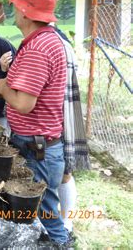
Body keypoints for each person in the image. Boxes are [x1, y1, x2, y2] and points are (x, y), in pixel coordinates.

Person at [0, 0, 71, 247]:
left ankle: (61, 244)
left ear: (25, 12)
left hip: (36, 147)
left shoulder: (38, 49)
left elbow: (24, 104)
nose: (13, 11)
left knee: (45, 211)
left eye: (16, 6)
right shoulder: (45, 40)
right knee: (41, 208)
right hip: (39, 144)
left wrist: (4, 88)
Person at [52, 25, 90, 239]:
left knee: (65, 172)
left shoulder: (56, 42)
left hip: (60, 116)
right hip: (53, 117)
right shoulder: (39, 39)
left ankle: (66, 223)